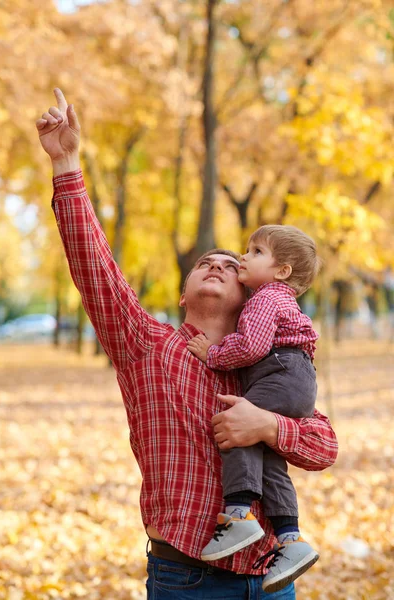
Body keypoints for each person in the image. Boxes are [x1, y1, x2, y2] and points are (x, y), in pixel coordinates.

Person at [36, 89, 338, 600]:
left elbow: (325, 445)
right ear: (183, 293)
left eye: (231, 265)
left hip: (270, 581)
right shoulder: (147, 344)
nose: (219, 265)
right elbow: (95, 269)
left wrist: (267, 425)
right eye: (206, 263)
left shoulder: (269, 363)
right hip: (186, 580)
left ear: (252, 296)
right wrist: (66, 163)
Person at [187, 225, 321, 593]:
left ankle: (238, 513)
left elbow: (251, 347)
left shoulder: (265, 298)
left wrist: (213, 354)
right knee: (271, 462)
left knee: (238, 425)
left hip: (280, 371)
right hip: (296, 377)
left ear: (282, 271)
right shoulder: (281, 299)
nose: (244, 257)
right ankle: (291, 540)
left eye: (255, 252)